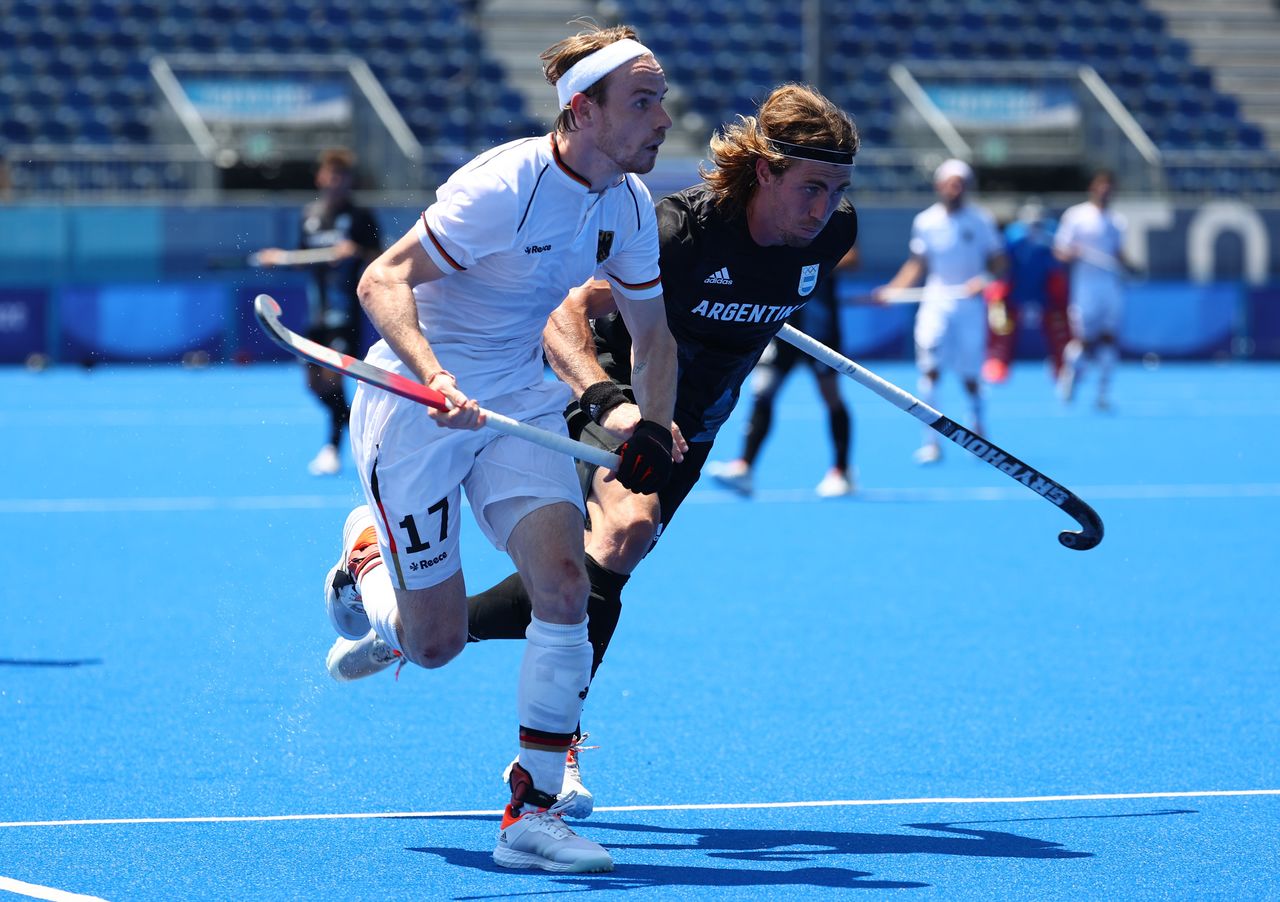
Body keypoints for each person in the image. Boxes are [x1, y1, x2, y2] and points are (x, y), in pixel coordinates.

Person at [326, 85, 855, 819]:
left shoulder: (827, 236)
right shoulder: (681, 232)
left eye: (836, 190)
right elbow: (566, 314)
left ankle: (408, 620)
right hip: (610, 395)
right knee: (621, 533)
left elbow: (759, 300)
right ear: (764, 171)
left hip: (688, 428)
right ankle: (551, 753)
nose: (823, 207)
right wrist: (613, 401)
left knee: (590, 576)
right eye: (810, 187)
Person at [317, 25, 678, 873]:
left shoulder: (623, 203)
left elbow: (653, 335)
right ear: (582, 111)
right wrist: (435, 376)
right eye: (643, 101)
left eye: (661, 98)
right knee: (433, 645)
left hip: (517, 395)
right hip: (416, 402)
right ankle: (366, 557)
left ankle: (530, 816)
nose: (663, 117)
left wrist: (653, 430)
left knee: (564, 587)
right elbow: (382, 279)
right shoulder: (504, 185)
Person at [255, 148, 381, 475]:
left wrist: (357, 252)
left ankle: (332, 448)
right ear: (321, 178)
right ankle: (364, 429)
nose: (336, 182)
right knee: (314, 384)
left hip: (347, 316)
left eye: (342, 176)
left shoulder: (360, 217)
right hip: (316, 315)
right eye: (331, 175)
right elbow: (300, 257)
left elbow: (381, 259)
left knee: (334, 381)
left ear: (349, 181)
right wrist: (278, 259)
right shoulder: (309, 215)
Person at [877, 159, 1006, 464]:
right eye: (950, 182)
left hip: (970, 306)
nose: (954, 188)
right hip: (936, 303)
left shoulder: (981, 220)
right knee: (930, 370)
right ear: (939, 186)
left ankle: (978, 433)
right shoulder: (925, 221)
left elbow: (1000, 262)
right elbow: (917, 264)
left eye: (960, 182)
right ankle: (931, 441)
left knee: (970, 376)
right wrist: (893, 290)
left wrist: (984, 280)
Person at [704, 245, 860, 497]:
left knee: (830, 396)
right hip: (782, 329)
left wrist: (808, 263)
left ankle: (841, 471)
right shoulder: (781, 219)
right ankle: (744, 467)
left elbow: (852, 259)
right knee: (763, 391)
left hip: (820, 330)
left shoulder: (833, 219)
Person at [1053, 169, 1132, 411]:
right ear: (1093, 188)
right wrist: (1072, 253)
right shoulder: (1076, 216)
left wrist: (1129, 266)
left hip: (1109, 287)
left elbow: (1119, 255)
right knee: (1084, 342)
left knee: (1109, 339)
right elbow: (1060, 250)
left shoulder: (1118, 221)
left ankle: (1102, 393)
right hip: (1085, 288)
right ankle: (1070, 375)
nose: (1105, 192)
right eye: (1101, 187)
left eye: (1109, 188)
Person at [984, 200, 1070, 384]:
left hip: (1043, 289)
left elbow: (1060, 263)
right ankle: (998, 360)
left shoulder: (1052, 235)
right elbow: (1001, 262)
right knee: (1000, 321)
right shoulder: (1013, 236)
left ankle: (1062, 364)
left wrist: (1055, 248)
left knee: (1059, 325)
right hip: (1016, 288)